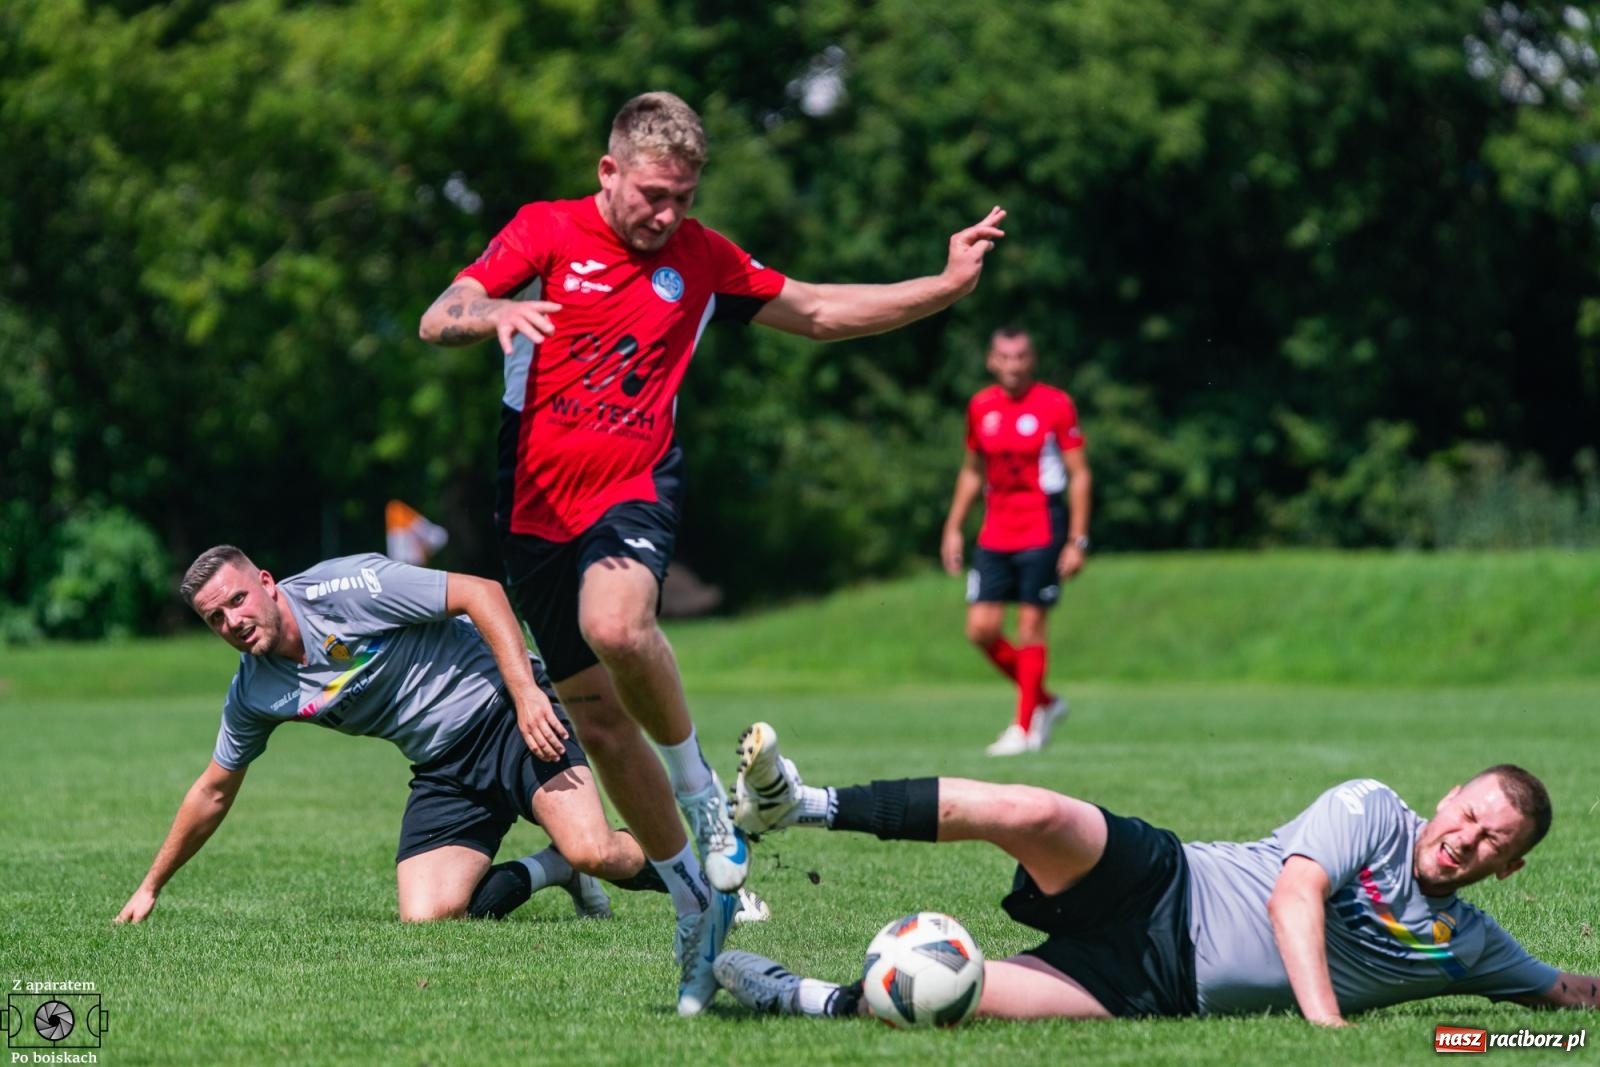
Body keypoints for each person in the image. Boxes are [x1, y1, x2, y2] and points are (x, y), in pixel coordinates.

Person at [418, 90, 1006, 1012]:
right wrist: (490, 313)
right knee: (603, 726)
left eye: (684, 198)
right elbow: (439, 311)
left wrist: (942, 286)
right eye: (653, 193)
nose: (668, 215)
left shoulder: (701, 258)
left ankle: (703, 798)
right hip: (532, 513)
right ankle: (696, 905)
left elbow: (814, 309)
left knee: (614, 620)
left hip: (634, 486)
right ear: (607, 172)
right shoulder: (546, 230)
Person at [719, 721, 1599, 1023]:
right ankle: (803, 804)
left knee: (951, 997)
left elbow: (1561, 1005)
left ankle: (796, 995)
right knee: (1035, 812)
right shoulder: (1371, 807)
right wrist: (1328, 1029)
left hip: (1155, 985)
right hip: (1168, 881)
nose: (1466, 839)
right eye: (1469, 815)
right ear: (1448, 797)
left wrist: (1496, 1037)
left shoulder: (1466, 947)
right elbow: (1296, 897)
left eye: (1492, 842)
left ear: (1510, 867)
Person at [115, 546, 673, 933]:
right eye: (215, 619)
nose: (232, 622)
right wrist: (150, 887)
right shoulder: (255, 692)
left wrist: (526, 693)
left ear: (266, 582)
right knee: (427, 915)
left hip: (505, 713)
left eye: (236, 600)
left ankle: (707, 885)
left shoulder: (346, 589)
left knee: (596, 850)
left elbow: (480, 593)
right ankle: (556, 868)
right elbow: (213, 790)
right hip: (443, 766)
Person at [940, 326, 1090, 756]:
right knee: (981, 629)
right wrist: (953, 526)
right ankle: (1045, 701)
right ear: (991, 360)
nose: (1013, 364)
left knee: (1029, 627)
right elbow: (972, 470)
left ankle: (1023, 728)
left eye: (1021, 356)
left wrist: (1077, 541)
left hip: (1043, 529)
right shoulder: (981, 406)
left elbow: (1080, 474)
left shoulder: (1055, 405)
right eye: (1005, 356)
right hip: (995, 532)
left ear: (1032, 359)